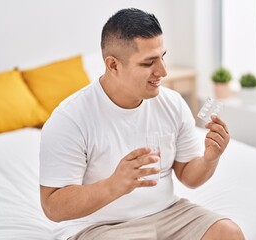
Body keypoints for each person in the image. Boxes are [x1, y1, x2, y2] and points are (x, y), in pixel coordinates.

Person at [39, 8, 245, 240]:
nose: (163, 71)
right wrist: (114, 185)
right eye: (149, 63)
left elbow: (188, 175)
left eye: (162, 56)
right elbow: (52, 207)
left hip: (167, 213)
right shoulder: (70, 119)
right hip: (100, 226)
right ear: (113, 65)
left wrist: (210, 158)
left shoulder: (172, 103)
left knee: (229, 233)